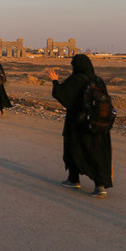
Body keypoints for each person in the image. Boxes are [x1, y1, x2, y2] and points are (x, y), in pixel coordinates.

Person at [48, 54, 113, 198]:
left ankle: (74, 179)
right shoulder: (98, 80)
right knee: (96, 152)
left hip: (78, 123)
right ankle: (98, 185)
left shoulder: (76, 79)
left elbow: (61, 95)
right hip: (98, 124)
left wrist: (54, 81)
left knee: (74, 148)